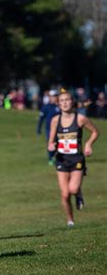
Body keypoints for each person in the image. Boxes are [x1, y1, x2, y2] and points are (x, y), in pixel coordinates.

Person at [48, 90, 99, 227]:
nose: (64, 103)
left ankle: (78, 195)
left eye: (67, 100)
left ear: (72, 102)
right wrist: (51, 145)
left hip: (77, 159)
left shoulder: (80, 119)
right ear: (58, 104)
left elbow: (95, 131)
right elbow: (51, 141)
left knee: (73, 189)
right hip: (61, 160)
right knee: (65, 194)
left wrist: (88, 144)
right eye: (62, 101)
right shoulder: (55, 120)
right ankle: (70, 220)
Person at [37, 89, 60, 165]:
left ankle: (58, 157)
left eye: (55, 96)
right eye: (52, 96)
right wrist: (38, 128)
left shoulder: (60, 106)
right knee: (50, 143)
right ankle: (50, 158)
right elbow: (41, 118)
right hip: (49, 129)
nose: (53, 98)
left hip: (60, 129)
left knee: (59, 143)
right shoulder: (46, 107)